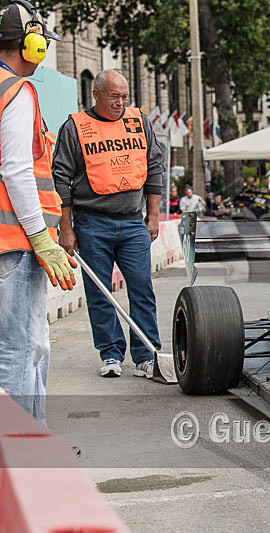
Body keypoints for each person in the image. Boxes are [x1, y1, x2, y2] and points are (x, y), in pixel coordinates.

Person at [54, 70, 164, 378]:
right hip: (92, 223)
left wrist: (152, 216)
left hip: (132, 224)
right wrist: (67, 227)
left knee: (142, 290)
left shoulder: (139, 123)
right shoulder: (75, 128)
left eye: (125, 97)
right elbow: (61, 178)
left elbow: (154, 167)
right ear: (97, 95)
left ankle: (147, 353)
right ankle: (111, 353)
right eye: (114, 96)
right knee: (99, 292)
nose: (120, 103)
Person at [0, 1, 74, 424]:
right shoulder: (17, 92)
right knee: (21, 349)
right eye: (42, 41)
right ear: (28, 44)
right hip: (16, 244)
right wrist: (41, 237)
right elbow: (16, 169)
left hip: (10, 245)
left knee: (24, 346)